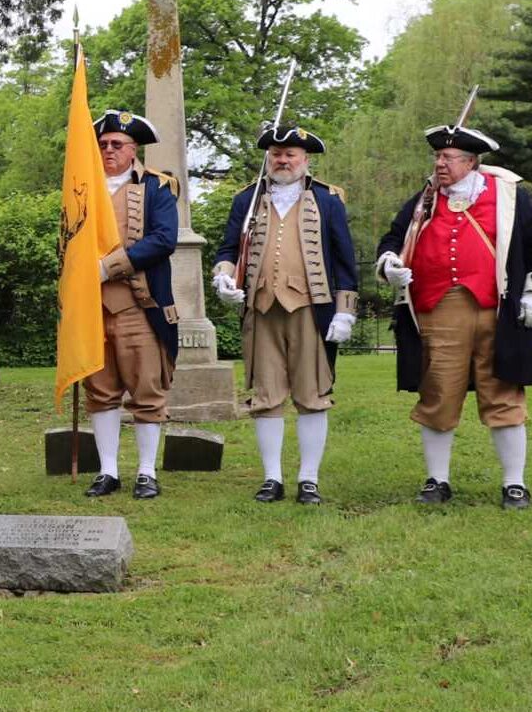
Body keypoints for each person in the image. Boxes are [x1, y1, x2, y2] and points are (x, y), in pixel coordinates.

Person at [375, 123, 532, 508]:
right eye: (437, 157)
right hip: (440, 310)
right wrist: (390, 263)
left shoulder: (511, 196)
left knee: (503, 393)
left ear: (471, 161)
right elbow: (392, 240)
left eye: (448, 158)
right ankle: (437, 480)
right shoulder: (423, 199)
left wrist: (530, 291)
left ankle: (514, 484)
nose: (440, 164)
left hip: (497, 308)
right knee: (438, 393)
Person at [212, 125, 358, 504]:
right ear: (268, 158)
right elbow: (228, 250)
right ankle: (272, 478)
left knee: (312, 395)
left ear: (305, 160)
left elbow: (345, 260)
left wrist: (345, 312)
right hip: (261, 309)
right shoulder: (247, 199)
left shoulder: (327, 200)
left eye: (291, 154)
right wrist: (224, 279)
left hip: (311, 308)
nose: (282, 159)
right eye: (276, 153)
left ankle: (308, 479)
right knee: (266, 396)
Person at [83, 110, 179, 500]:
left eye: (116, 144)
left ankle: (145, 471)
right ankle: (108, 471)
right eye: (103, 144)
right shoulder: (82, 187)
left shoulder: (157, 187)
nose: (108, 150)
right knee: (100, 391)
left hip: (139, 306)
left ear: (133, 148)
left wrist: (109, 267)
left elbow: (163, 239)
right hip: (91, 308)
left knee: (146, 392)